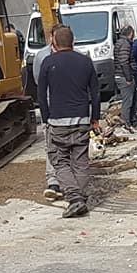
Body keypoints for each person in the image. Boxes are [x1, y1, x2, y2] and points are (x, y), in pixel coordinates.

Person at [37, 25, 101, 218]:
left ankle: (75, 198)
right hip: (82, 119)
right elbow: (96, 94)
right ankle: (79, 197)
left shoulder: (48, 63)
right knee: (80, 162)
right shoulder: (85, 62)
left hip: (57, 122)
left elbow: (41, 94)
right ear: (73, 42)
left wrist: (46, 118)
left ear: (53, 43)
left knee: (59, 161)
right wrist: (95, 118)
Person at [33, 23, 66, 200]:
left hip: (68, 108)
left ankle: (68, 180)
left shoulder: (74, 55)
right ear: (51, 37)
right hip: (51, 107)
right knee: (51, 146)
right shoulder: (42, 56)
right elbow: (39, 81)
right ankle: (53, 181)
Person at [113, 25, 137, 129]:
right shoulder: (125, 44)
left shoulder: (120, 42)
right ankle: (126, 123)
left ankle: (130, 121)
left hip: (121, 75)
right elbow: (124, 62)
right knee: (128, 100)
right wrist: (128, 78)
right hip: (124, 76)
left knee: (133, 98)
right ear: (131, 34)